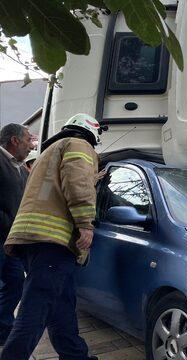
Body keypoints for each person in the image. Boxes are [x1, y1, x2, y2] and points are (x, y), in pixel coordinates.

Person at [0, 114, 103, 360]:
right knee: (36, 309)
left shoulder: (51, 150)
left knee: (61, 307)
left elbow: (54, 187)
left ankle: (75, 356)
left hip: (32, 239)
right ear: (92, 132)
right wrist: (85, 223)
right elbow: (77, 182)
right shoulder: (79, 145)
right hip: (53, 242)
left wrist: (94, 177)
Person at [0, 124, 32, 345]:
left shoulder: (19, 167)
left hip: (11, 240)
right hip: (1, 235)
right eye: (28, 140)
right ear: (14, 141)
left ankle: (3, 329)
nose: (31, 146)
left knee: (15, 284)